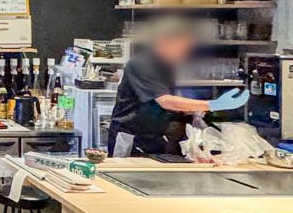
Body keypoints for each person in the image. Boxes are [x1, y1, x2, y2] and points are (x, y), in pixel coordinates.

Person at [107, 16, 249, 157]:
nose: (185, 52)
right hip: (129, 137)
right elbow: (165, 100)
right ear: (164, 41)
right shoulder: (141, 64)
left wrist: (191, 112)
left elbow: (164, 100)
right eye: (182, 46)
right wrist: (211, 105)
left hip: (153, 135)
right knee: (125, 170)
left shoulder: (166, 65)